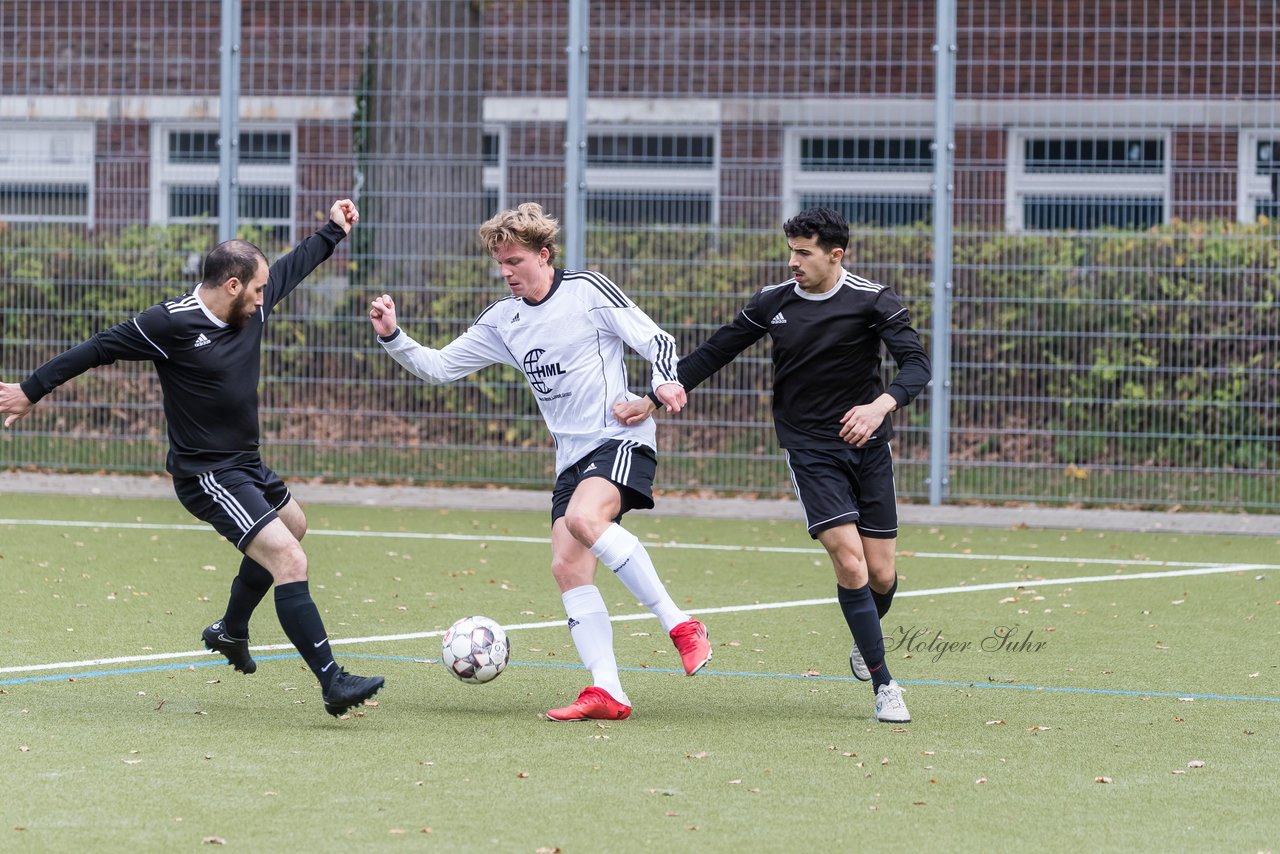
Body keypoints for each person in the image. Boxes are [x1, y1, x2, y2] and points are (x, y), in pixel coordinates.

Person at [0, 199, 385, 718]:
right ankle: (332, 682)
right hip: (206, 474)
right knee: (289, 560)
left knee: (293, 528)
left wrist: (333, 231)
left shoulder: (254, 305)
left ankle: (230, 629)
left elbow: (295, 264)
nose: (263, 297)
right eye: (255, 289)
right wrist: (29, 389)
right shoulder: (169, 324)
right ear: (231, 286)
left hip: (245, 463)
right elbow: (95, 349)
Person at [368, 202, 711, 722]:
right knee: (568, 567)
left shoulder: (588, 292)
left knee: (583, 520)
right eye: (500, 265)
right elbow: (439, 367)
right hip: (570, 458)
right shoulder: (503, 320)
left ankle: (681, 623)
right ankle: (609, 691)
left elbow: (657, 339)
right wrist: (394, 336)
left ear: (544, 255)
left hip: (618, 438)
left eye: (515, 262)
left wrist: (663, 381)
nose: (506, 273)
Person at [614, 207, 931, 723]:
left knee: (881, 573)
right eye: (790, 250)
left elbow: (917, 364)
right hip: (808, 447)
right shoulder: (774, 302)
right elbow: (717, 350)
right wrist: (655, 396)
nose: (793, 262)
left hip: (870, 447)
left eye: (803, 252)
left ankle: (864, 636)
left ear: (835, 255)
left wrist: (880, 406)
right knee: (849, 562)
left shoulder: (873, 300)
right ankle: (884, 683)